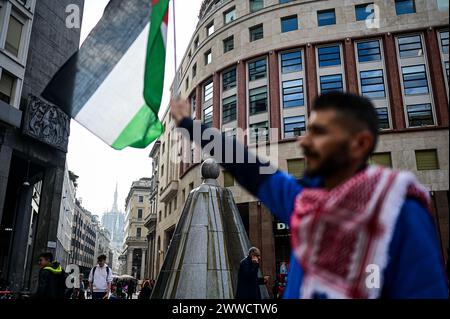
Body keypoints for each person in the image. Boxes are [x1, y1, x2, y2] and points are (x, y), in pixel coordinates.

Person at [170, 92, 449, 299]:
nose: (304, 142)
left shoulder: (401, 212)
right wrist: (188, 124)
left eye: (318, 132)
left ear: (359, 143)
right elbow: (246, 164)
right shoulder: (305, 202)